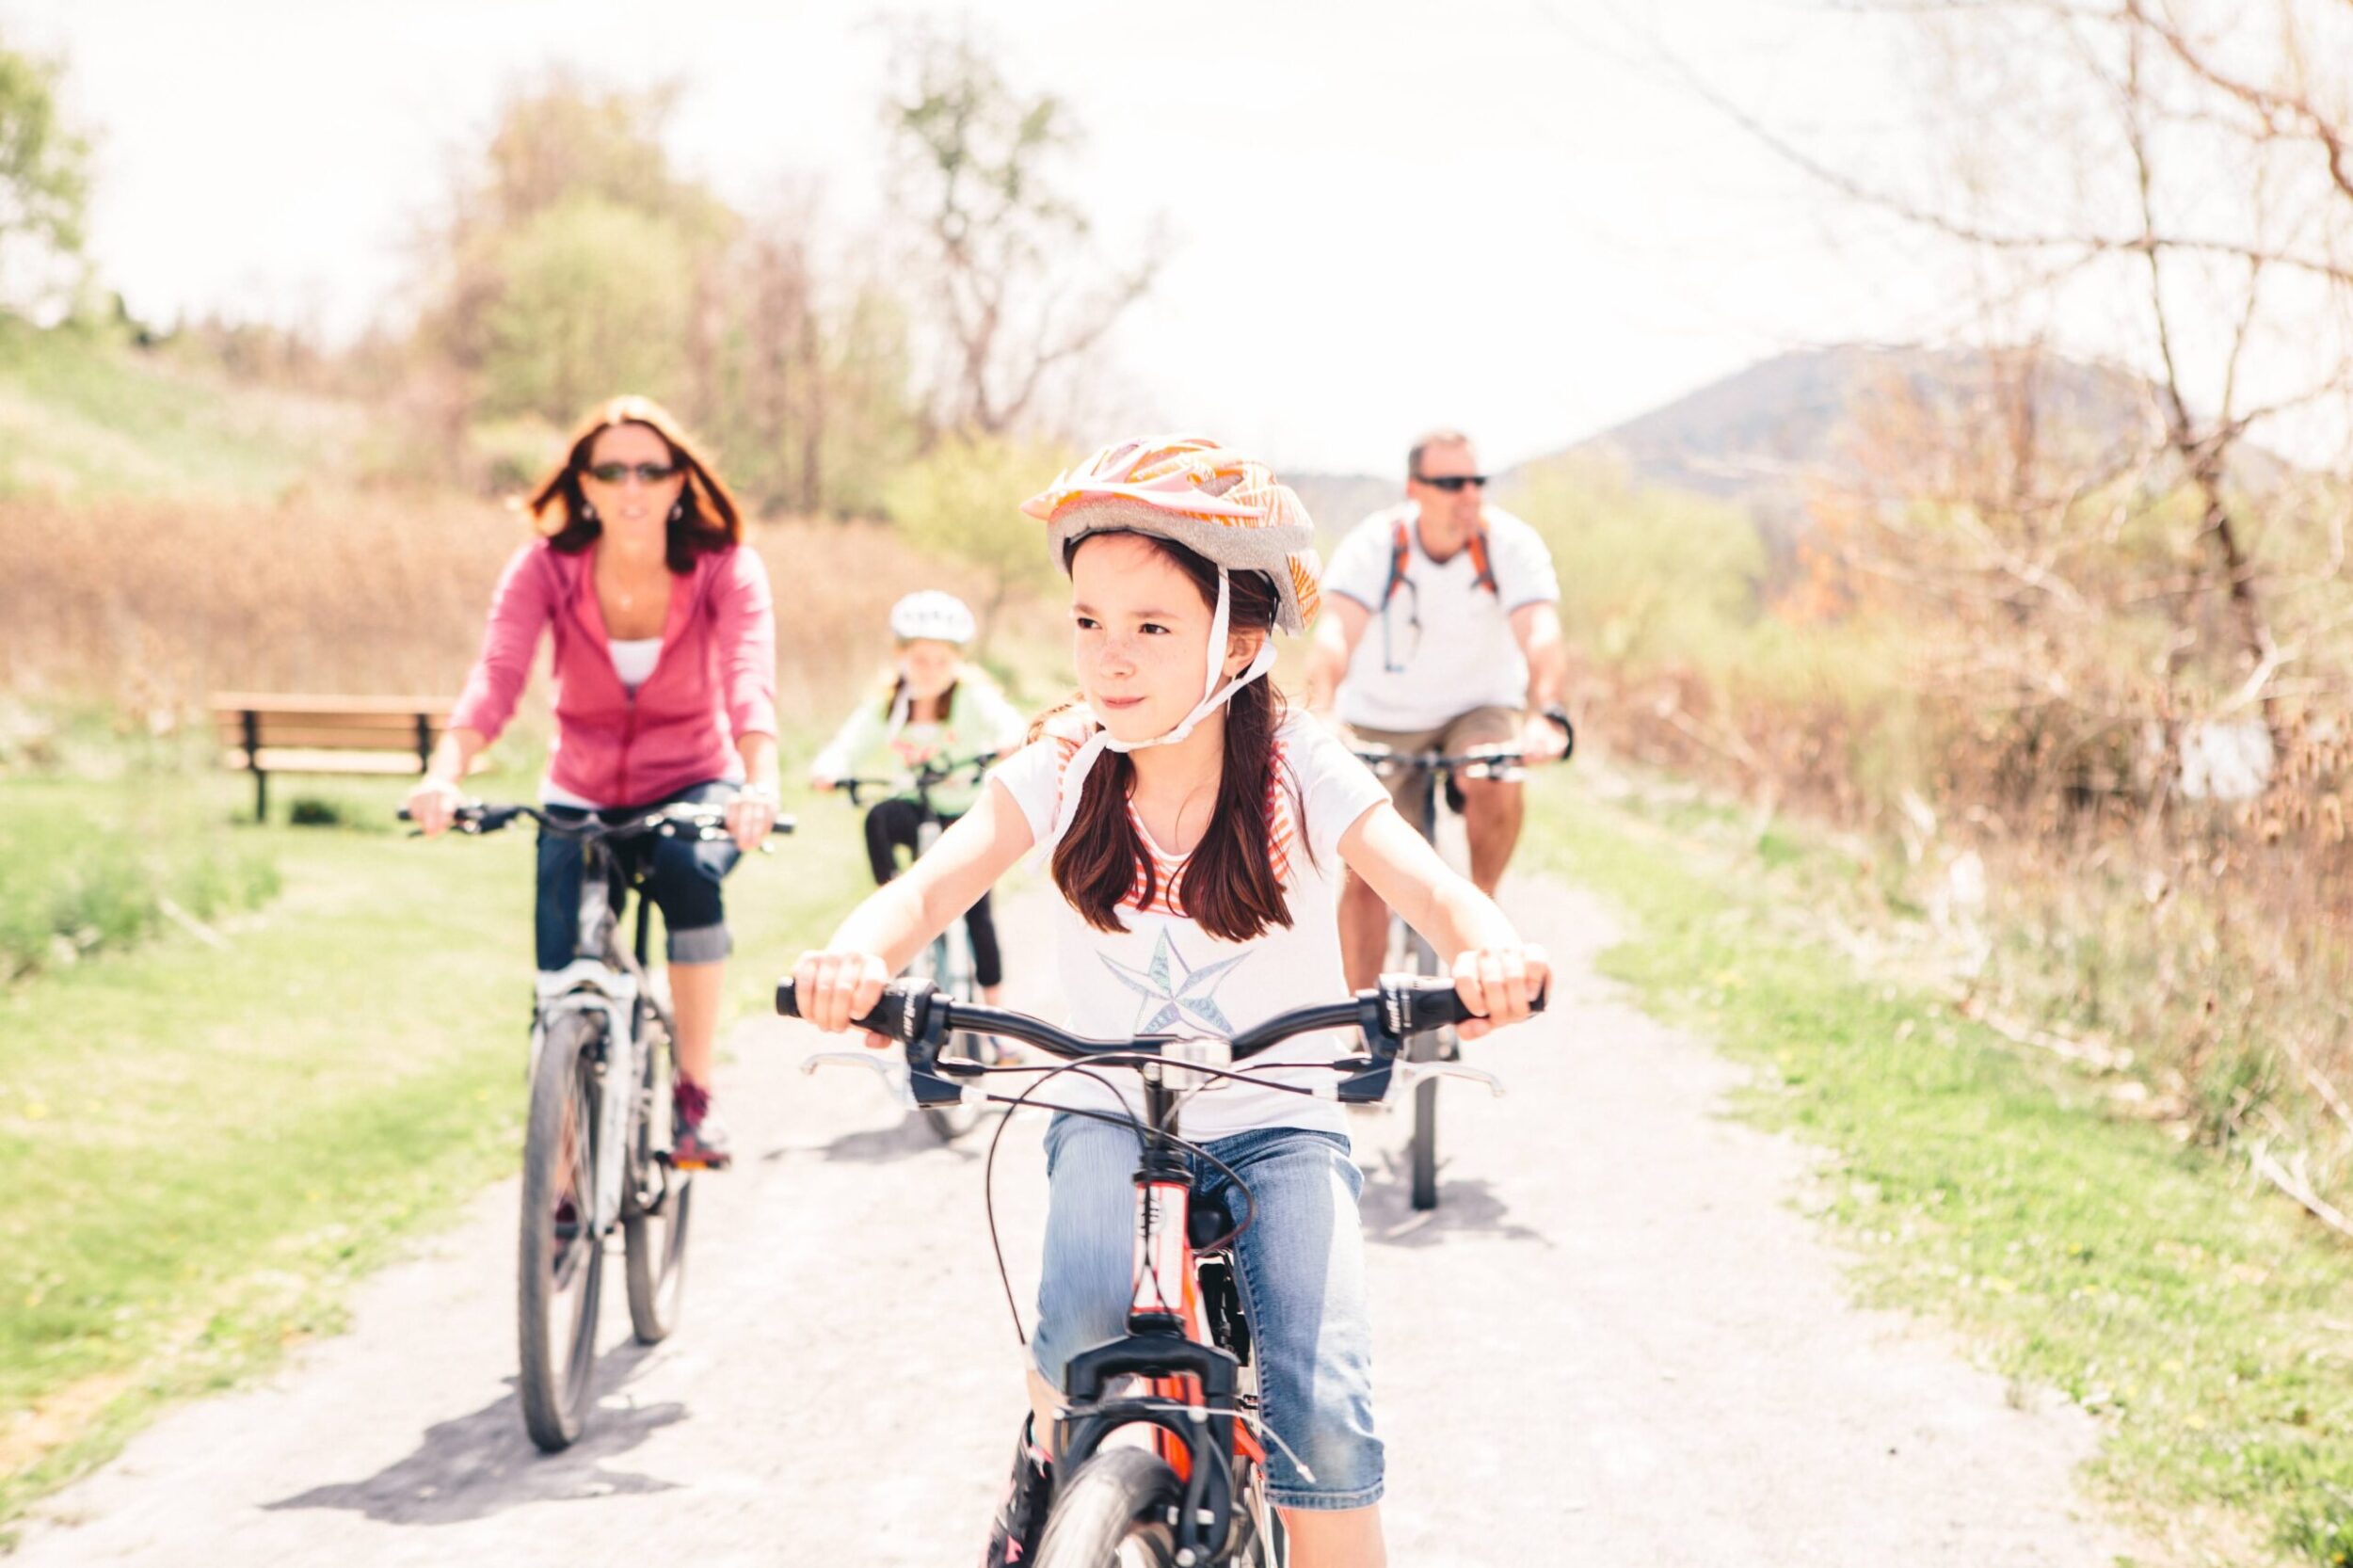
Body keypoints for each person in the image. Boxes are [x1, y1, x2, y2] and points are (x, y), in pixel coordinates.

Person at [789, 436, 1549, 1568]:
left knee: (1323, 1412)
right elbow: (932, 883)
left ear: (1236, 640)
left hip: (1275, 1116)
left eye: (1151, 627)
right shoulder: (1062, 759)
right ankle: (1053, 1475)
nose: (1110, 657)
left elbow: (1431, 887)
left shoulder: (1296, 760)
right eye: (1087, 621)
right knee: (1078, 1332)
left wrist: (1491, 950)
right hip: (1106, 1106)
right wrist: (852, 956)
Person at [406, 394, 780, 1169]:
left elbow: (749, 677)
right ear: (583, 484)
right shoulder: (546, 566)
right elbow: (499, 675)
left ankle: (692, 1098)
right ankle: (566, 1163)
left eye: (652, 468)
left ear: (682, 481)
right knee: (557, 977)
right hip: (579, 789)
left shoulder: (725, 566)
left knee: (689, 879)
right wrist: (444, 772)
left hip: (692, 780)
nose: (632, 485)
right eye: (611, 470)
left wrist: (759, 781)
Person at [1306, 428, 1571, 991]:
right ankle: (1364, 1020)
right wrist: (1324, 709)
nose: (1469, 494)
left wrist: (1548, 712)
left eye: (1477, 481)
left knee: (1494, 774)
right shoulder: (1374, 546)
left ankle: (1480, 914)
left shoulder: (1510, 546)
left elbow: (1540, 634)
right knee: (1366, 864)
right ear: (1415, 489)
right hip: (1381, 716)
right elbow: (1334, 635)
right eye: (1451, 483)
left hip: (1476, 709)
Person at [808, 589, 1027, 1005]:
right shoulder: (889, 705)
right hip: (915, 804)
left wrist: (1009, 743)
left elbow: (1008, 725)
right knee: (879, 818)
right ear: (900, 656)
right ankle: (894, 905)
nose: (929, 671)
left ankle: (996, 1016)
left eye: (942, 661)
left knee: (978, 913)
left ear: (959, 661)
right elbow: (849, 744)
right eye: (919, 660)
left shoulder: (970, 697)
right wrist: (830, 768)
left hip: (963, 812)